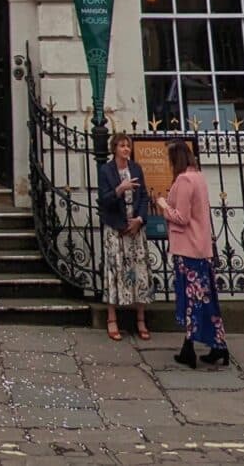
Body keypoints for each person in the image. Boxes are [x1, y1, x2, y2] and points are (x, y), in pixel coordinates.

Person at [155, 139, 228, 369]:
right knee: (205, 301)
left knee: (190, 302)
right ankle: (218, 346)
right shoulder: (199, 177)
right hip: (201, 248)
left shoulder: (185, 180)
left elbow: (182, 217)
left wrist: (163, 206)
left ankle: (190, 350)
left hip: (188, 249)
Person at [98, 133, 153, 342]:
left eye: (128, 146)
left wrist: (140, 219)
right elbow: (105, 200)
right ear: (114, 148)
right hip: (116, 228)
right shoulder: (106, 170)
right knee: (114, 271)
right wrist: (120, 188)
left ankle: (141, 319)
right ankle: (112, 318)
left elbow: (144, 196)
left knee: (139, 272)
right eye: (122, 146)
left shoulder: (136, 168)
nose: (126, 149)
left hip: (135, 227)